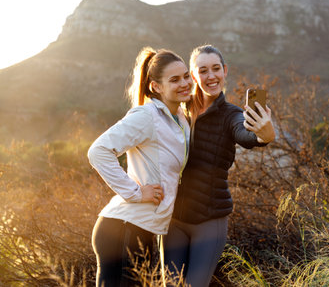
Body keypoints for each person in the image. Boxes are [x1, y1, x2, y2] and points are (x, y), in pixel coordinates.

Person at [164, 44, 276, 287]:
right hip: (174, 220)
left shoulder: (231, 115)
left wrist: (264, 134)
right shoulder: (179, 109)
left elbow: (245, 134)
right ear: (193, 76)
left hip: (209, 221)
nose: (210, 76)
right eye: (202, 70)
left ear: (225, 71)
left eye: (216, 69)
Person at [88, 47, 192, 287]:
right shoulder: (147, 116)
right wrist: (135, 193)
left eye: (186, 76)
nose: (184, 83)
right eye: (174, 79)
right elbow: (98, 151)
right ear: (156, 86)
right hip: (123, 229)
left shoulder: (181, 120)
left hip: (140, 228)